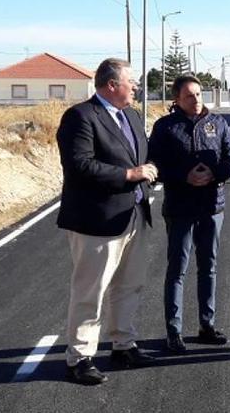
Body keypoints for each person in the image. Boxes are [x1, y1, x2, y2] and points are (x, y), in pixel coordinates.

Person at [56, 57, 158, 385]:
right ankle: (80, 358)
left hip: (133, 215)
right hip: (96, 222)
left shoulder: (132, 115)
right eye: (132, 82)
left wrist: (147, 171)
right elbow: (79, 165)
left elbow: (138, 156)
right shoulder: (80, 117)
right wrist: (129, 174)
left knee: (129, 285)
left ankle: (123, 345)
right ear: (112, 85)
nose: (137, 87)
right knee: (91, 290)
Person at [148, 74, 230, 353]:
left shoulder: (218, 123)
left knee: (208, 267)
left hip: (213, 207)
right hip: (180, 208)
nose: (196, 99)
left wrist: (214, 173)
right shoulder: (165, 127)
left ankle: (206, 325)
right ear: (177, 99)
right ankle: (174, 331)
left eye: (199, 94)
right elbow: (155, 165)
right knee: (177, 269)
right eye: (189, 95)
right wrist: (184, 176)